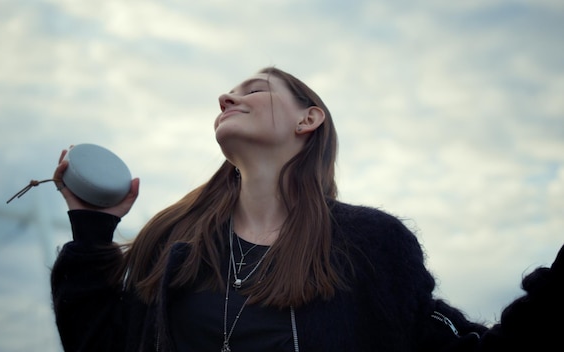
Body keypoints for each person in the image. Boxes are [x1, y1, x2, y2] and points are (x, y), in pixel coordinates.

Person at [50, 67, 563, 352]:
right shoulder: (172, 242)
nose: (226, 96)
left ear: (309, 119)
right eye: (228, 93)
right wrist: (93, 231)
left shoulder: (371, 245)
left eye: (253, 89)